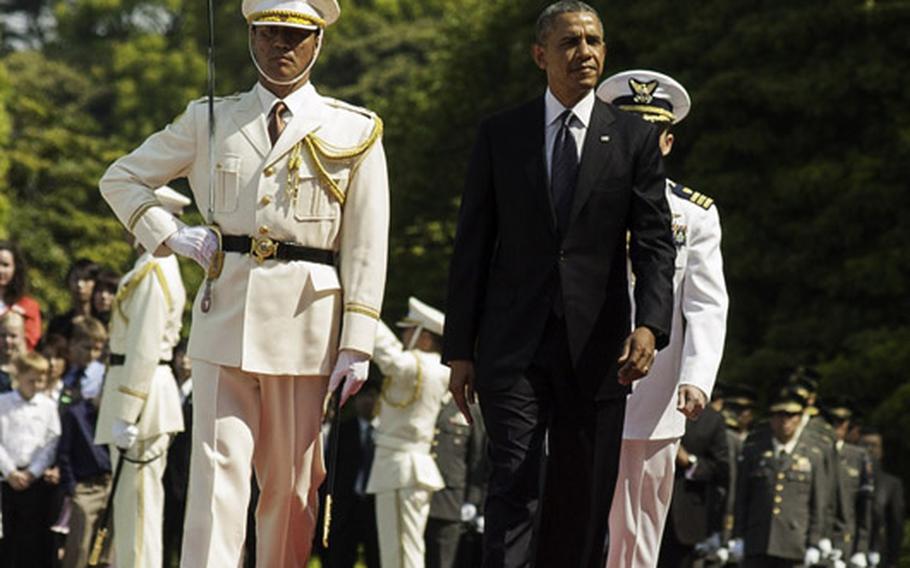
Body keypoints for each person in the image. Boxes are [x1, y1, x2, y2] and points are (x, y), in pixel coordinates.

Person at [97, 0, 389, 564]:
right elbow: (122, 176)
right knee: (213, 482)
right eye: (268, 33)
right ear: (250, 38)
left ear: (317, 42)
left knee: (292, 488)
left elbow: (367, 244)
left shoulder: (353, 128)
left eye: (294, 35)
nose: (281, 46)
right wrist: (171, 233)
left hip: (307, 325)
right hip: (223, 314)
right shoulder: (209, 117)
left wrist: (358, 341)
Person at [443, 2, 675, 566]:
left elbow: (653, 241)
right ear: (540, 54)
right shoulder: (502, 134)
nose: (586, 53)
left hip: (597, 348)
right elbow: (472, 244)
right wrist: (459, 350)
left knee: (582, 492)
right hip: (511, 344)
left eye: (594, 41)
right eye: (570, 42)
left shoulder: (633, 139)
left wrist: (650, 324)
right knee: (514, 480)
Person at [596, 69, 729, 568]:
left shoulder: (692, 215)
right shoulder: (576, 199)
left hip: (655, 392)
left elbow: (707, 303)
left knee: (640, 526)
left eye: (650, 137)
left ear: (667, 143)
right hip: (582, 380)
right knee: (570, 514)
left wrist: (697, 377)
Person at [94, 186, 190, 567]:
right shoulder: (148, 266)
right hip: (139, 397)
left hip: (143, 401)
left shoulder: (154, 268)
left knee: (139, 514)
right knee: (133, 511)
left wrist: (128, 412)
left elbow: (144, 346)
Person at [366, 297, 450, 568]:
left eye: (408, 330)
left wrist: (359, 306)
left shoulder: (417, 366)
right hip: (408, 467)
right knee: (406, 550)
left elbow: (384, 350)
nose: (403, 335)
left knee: (400, 553)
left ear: (425, 337)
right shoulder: (439, 369)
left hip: (401, 468)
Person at [731, 389, 825, 568]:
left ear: (799, 419)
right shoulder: (754, 451)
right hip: (758, 541)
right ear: (771, 419)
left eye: (791, 415)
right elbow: (742, 497)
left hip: (793, 543)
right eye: (779, 415)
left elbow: (817, 503)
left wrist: (814, 542)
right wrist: (737, 535)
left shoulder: (813, 455)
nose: (785, 421)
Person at [0, 352, 61, 567]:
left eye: (40, 380)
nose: (36, 385)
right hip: (7, 480)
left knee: (33, 539)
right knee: (7, 537)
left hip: (34, 480)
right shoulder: (4, 403)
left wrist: (32, 472)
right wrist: (9, 471)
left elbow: (51, 442)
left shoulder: (48, 406)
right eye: (31, 380)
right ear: (19, 377)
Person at [658, 405, 730, 567]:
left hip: (685, 519)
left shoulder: (711, 419)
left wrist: (689, 461)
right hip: (647, 507)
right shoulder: (654, 406)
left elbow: (720, 469)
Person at [319, 384, 380, 568]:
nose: (368, 402)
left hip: (375, 507)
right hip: (346, 508)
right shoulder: (343, 430)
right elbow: (330, 469)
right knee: (340, 558)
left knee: (377, 558)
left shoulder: (388, 433)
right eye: (363, 397)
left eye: (372, 396)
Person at [425, 394, 487, 568]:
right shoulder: (427, 398)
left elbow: (477, 457)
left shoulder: (469, 407)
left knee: (442, 561)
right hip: (417, 493)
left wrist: (472, 500)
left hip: (449, 500)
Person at [57, 370, 112, 568]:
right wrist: (72, 487)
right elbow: (64, 453)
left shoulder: (114, 415)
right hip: (85, 488)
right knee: (79, 547)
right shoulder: (76, 414)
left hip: (111, 484)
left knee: (107, 550)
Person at [860, 428, 904, 568]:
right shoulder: (848, 478)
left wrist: (892, 560)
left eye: (874, 445)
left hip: (879, 554)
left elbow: (896, 525)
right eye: (865, 444)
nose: (870, 449)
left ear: (881, 451)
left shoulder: (891, 484)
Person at [0, 241, 42, 351]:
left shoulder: (29, 306)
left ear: (15, 268)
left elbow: (31, 341)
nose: (0, 270)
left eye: (5, 265)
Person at [47, 260, 99, 340]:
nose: (80, 285)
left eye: (86, 280)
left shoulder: (106, 322)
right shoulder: (58, 325)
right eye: (76, 279)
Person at [0, 311, 27, 393]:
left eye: (13, 336)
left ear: (23, 336)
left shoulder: (29, 367)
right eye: (3, 335)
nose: (7, 340)